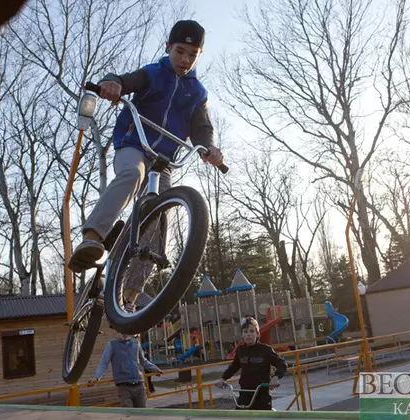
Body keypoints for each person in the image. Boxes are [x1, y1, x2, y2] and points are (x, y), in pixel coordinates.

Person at [68, 20, 224, 309]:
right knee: (131, 174)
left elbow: (202, 127)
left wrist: (210, 147)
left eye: (193, 54)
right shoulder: (153, 74)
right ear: (168, 48)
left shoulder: (197, 93)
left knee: (159, 218)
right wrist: (112, 84)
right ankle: (92, 238)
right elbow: (126, 81)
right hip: (135, 146)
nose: (185, 60)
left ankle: (129, 299)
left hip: (163, 161)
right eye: (180, 51)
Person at [215, 317, 288, 410]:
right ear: (242, 335)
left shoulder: (265, 350)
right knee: (240, 415)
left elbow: (282, 364)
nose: (248, 335)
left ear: (257, 334)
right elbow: (234, 366)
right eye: (245, 332)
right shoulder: (241, 350)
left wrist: (276, 377)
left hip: (262, 393)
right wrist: (223, 378)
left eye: (252, 331)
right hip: (245, 392)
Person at [88, 333, 163, 407]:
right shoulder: (112, 345)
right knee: (127, 413)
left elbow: (143, 361)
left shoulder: (136, 343)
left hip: (139, 385)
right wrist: (96, 377)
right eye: (122, 330)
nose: (124, 333)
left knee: (141, 413)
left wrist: (155, 369)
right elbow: (104, 363)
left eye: (127, 331)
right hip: (123, 386)